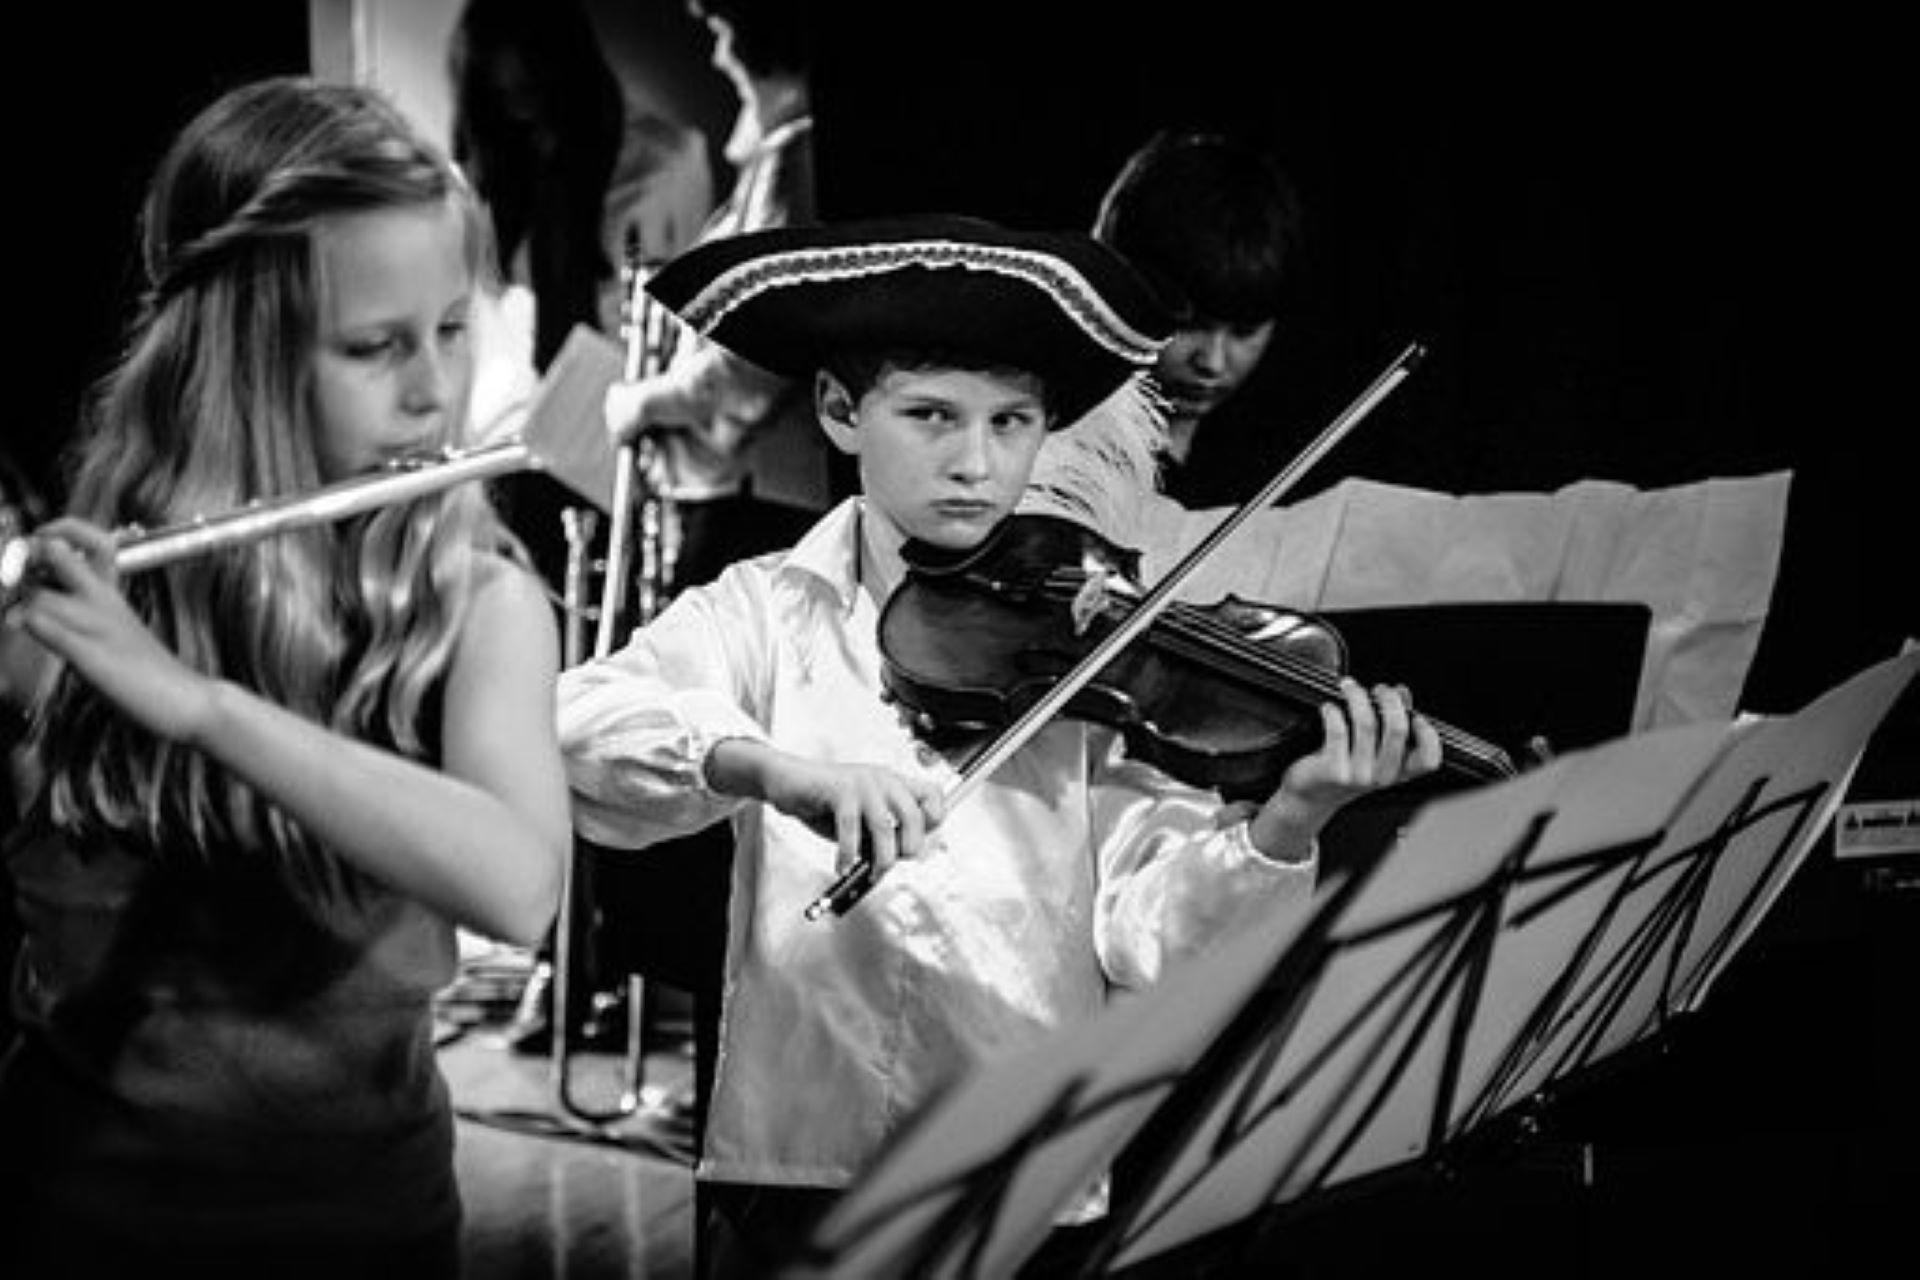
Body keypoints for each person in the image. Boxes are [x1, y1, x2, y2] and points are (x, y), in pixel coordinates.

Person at [557, 214, 1443, 1277]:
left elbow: (1148, 936)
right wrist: (773, 768)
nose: (976, 463)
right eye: (931, 415)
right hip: (801, 1159)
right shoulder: (767, 607)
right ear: (841, 410)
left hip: (1027, 1172)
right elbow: (579, 722)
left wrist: (1291, 819)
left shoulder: (1093, 639)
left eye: (1011, 421)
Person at [0, 76, 570, 1277]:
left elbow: (520, 885)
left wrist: (204, 707)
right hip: (74, 1213)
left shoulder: (480, 602)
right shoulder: (83, 598)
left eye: (453, 329)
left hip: (362, 1226)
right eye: (376, 346)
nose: (432, 388)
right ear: (239, 356)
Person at [547, 0, 832, 1122]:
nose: (711, 39)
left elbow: (747, 364)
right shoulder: (767, 152)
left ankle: (731, 1076)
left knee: (729, 801)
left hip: (757, 500)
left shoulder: (798, 155)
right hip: (726, 494)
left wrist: (635, 397)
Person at [1091, 127, 1309, 508]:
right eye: (1191, 325)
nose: (1212, 362)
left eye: (1245, 331)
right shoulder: (1062, 452)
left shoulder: (1257, 451)